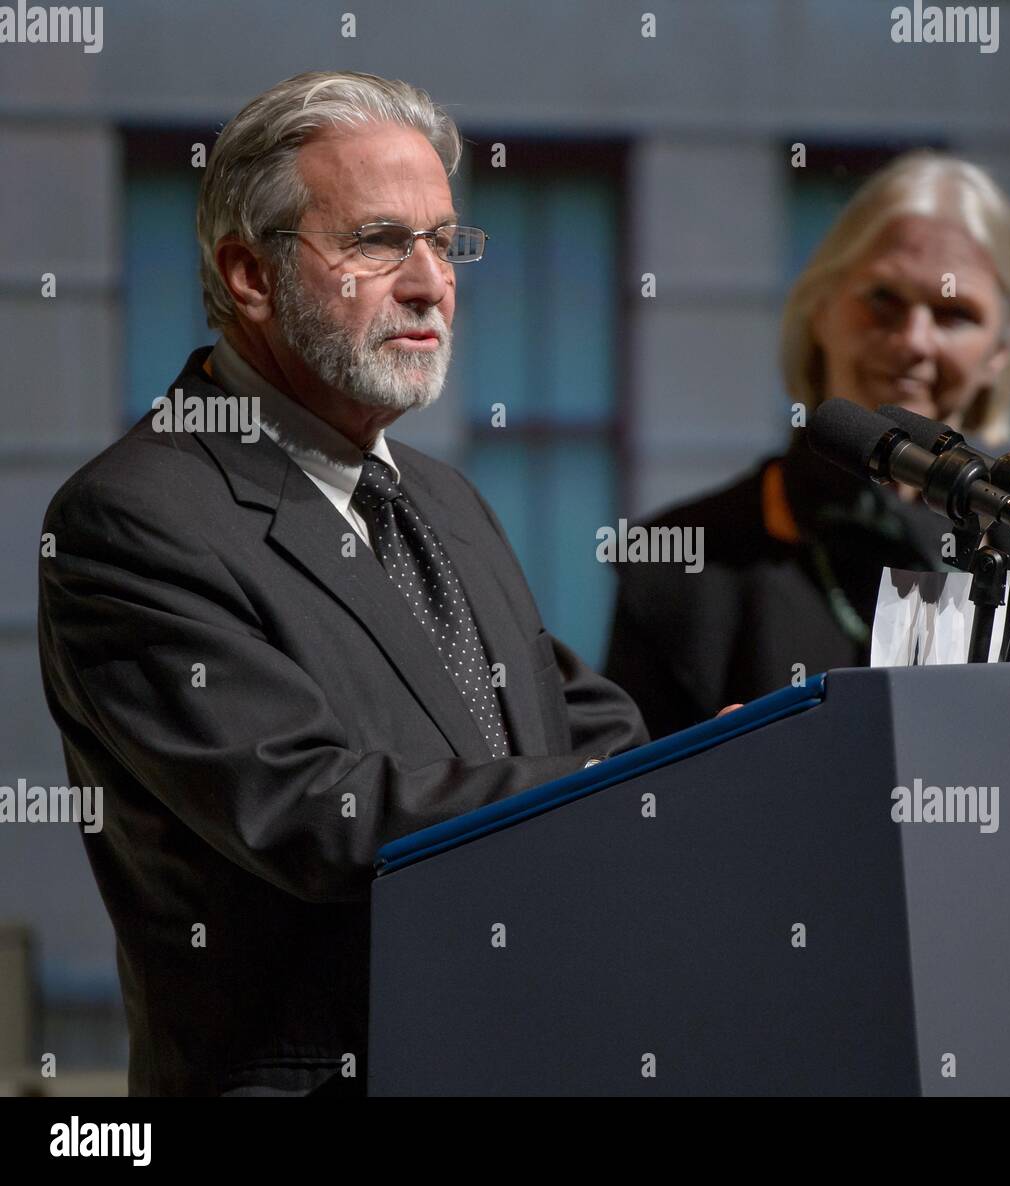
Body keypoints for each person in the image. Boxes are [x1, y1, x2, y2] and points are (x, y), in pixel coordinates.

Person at [36, 71, 648, 1096]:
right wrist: (621, 797)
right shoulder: (134, 519)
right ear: (248, 274)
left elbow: (575, 720)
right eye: (376, 241)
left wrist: (708, 771)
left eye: (445, 242)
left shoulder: (443, 499)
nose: (430, 282)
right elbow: (318, 814)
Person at [606, 150, 1010, 740]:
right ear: (820, 312)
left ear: (1000, 353)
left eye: (954, 313)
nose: (913, 340)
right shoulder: (680, 567)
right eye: (883, 300)